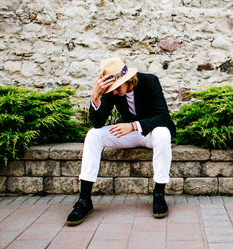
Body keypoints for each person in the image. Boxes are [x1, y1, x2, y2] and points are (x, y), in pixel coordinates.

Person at [66, 57, 176, 226]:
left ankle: (159, 194)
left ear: (126, 79)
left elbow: (163, 117)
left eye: (116, 88)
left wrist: (133, 126)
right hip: (129, 134)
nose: (114, 93)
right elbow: (98, 123)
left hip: (150, 131)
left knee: (163, 134)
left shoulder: (150, 81)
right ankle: (84, 199)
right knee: (93, 135)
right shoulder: (113, 91)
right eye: (111, 90)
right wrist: (96, 97)